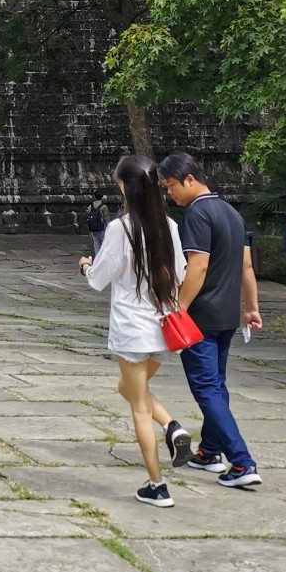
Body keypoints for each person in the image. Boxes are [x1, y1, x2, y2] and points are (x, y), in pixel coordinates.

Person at [78, 153, 190, 509]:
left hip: (131, 328)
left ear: (126, 187)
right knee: (127, 388)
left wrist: (86, 265)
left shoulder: (120, 228)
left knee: (138, 405)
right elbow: (183, 274)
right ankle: (173, 427)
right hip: (163, 327)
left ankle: (158, 485)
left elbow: (98, 280)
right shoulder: (169, 227)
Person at [158, 150, 264, 490]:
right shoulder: (232, 213)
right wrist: (251, 307)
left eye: (172, 185)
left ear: (191, 179)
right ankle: (210, 450)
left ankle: (242, 461)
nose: (170, 194)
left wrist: (180, 307)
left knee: (206, 387)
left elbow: (198, 266)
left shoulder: (198, 214)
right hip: (226, 315)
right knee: (216, 385)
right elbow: (247, 266)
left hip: (201, 316)